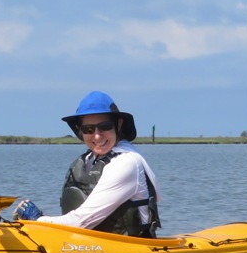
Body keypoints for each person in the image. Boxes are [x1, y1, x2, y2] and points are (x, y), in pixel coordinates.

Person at [13, 91, 161, 237]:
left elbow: (82, 222)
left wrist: (37, 220)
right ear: (80, 131)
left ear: (119, 124)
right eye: (88, 129)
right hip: (90, 246)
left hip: (129, 250)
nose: (97, 135)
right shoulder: (89, 159)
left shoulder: (126, 163)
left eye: (105, 126)